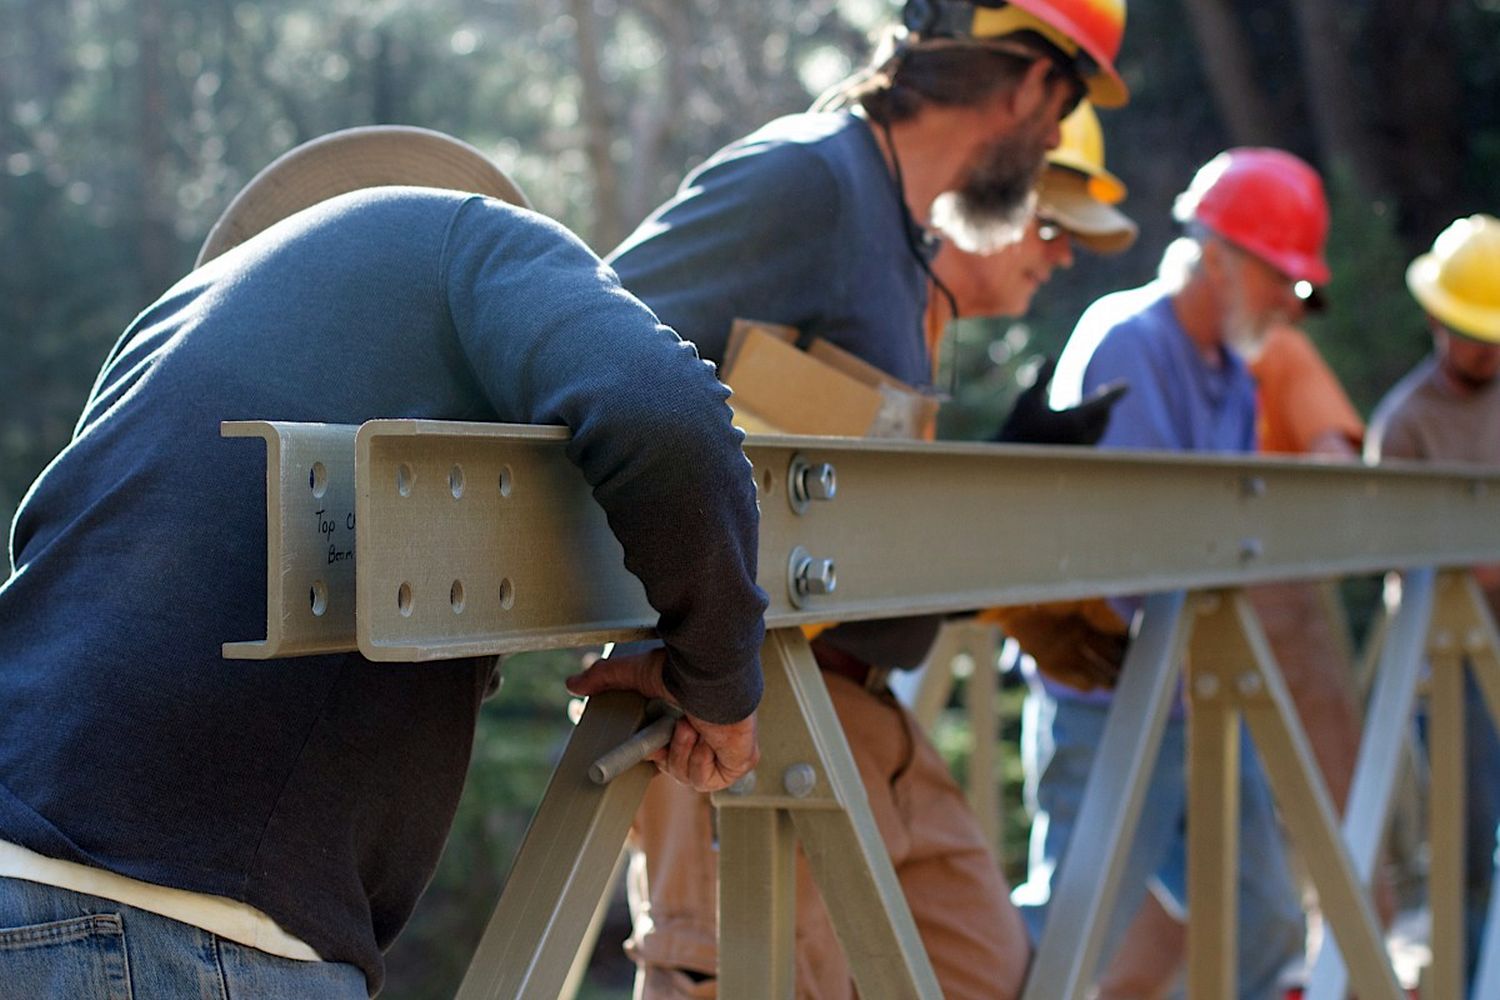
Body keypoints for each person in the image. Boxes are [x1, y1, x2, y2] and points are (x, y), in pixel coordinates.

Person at [0, 127, 769, 997]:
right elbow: (666, 416)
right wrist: (721, 680)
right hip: (185, 931)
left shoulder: (168, 327)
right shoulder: (469, 233)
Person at [607, 2, 1131, 995]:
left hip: (851, 699)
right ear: (1028, 85)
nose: (1058, 138)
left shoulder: (897, 238)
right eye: (1062, 107)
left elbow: (842, 510)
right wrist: (688, 633)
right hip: (737, 707)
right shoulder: (812, 178)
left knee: (985, 971)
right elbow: (579, 344)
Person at [1018, 148, 1331, 999]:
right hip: (1107, 702)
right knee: (1067, 934)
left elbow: (1224, 538)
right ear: (1220, 259)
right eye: (1281, 281)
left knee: (1264, 925)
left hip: (1194, 703)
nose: (1289, 305)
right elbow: (1150, 540)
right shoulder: (1130, 338)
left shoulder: (1230, 372)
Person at [1367, 212, 1500, 987]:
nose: (1480, 349)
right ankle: (1463, 977)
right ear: (1437, 320)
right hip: (1450, 671)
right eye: (1468, 332)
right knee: (1466, 844)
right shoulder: (1407, 421)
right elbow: (1396, 553)